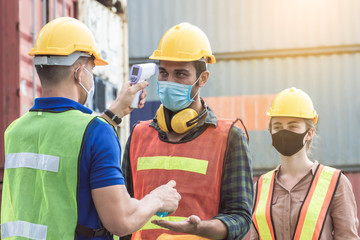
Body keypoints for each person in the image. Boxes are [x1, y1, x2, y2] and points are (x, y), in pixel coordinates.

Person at [1, 17, 181, 240]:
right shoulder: (96, 132)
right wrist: (158, 198)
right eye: (91, 70)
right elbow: (121, 221)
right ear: (79, 72)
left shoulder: (15, 130)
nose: (92, 77)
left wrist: (114, 114)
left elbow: (63, 173)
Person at [121, 22, 253, 240]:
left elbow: (240, 218)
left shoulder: (230, 137)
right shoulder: (138, 135)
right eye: (163, 73)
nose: (169, 82)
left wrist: (201, 228)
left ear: (203, 79)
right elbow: (123, 211)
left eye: (180, 74)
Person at [251, 87, 360, 240]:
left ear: (309, 133)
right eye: (277, 127)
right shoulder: (261, 187)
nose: (284, 132)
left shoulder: (335, 183)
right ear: (271, 132)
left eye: (293, 126)